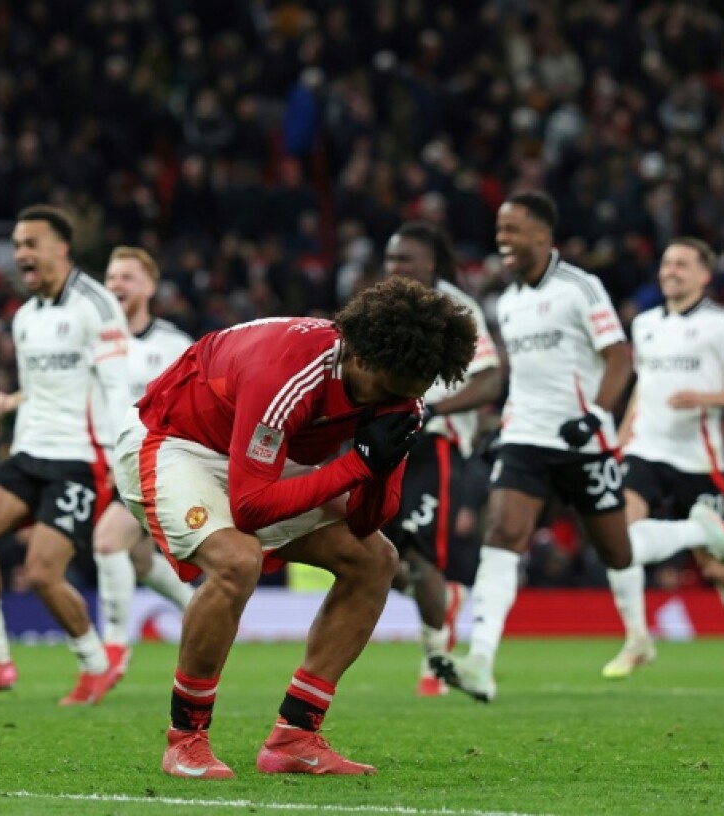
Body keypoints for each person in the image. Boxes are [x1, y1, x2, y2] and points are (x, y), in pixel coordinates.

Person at [113, 275, 476, 778]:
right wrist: (354, 467)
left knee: (376, 560)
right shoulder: (289, 370)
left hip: (253, 457)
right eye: (390, 391)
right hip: (175, 441)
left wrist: (376, 465)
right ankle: (186, 739)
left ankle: (295, 737)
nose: (391, 404)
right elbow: (250, 509)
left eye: (409, 395)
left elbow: (368, 520)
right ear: (362, 357)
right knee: (237, 560)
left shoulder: (398, 394)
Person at [431, 192, 724, 703]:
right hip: (527, 439)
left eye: (512, 230)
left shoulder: (580, 288)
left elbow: (619, 359)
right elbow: (523, 377)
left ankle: (694, 532)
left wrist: (596, 417)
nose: (502, 241)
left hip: (584, 442)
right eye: (499, 230)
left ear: (541, 235)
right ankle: (481, 662)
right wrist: (503, 430)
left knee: (617, 549)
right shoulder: (508, 302)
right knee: (504, 532)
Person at [0, 205, 133, 706]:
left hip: (80, 458)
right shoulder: (25, 318)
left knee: (44, 571)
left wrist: (120, 454)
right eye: (16, 245)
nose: (21, 254)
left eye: (31, 243)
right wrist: (12, 407)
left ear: (60, 248)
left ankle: (95, 665)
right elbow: (43, 388)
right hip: (30, 451)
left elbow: (116, 386)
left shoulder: (96, 304)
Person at [605, 238, 724, 692]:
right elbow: (645, 385)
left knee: (715, 567)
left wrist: (703, 396)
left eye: (681, 264)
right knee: (619, 537)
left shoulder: (722, 325)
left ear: (703, 275)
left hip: (698, 459)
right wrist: (622, 434)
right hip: (646, 449)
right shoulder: (646, 324)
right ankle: (637, 637)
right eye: (666, 263)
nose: (670, 270)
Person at [382, 222, 501, 696]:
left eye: (404, 260)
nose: (394, 269)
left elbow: (489, 379)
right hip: (385, 439)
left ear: (430, 264)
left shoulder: (457, 310)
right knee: (375, 553)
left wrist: (433, 407)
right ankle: (442, 602)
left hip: (435, 441)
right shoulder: (385, 309)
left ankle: (435, 662)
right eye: (390, 260)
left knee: (418, 552)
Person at [92, 246, 197, 682]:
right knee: (135, 560)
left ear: (150, 286)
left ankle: (114, 646)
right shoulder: (94, 342)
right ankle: (203, 610)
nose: (116, 284)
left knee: (108, 542)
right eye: (111, 277)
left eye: (127, 277)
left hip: (156, 461)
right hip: (105, 464)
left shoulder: (174, 345)